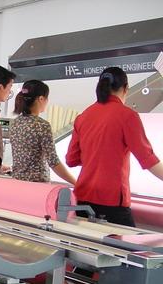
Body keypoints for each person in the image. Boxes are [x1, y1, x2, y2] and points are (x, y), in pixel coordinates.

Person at [66, 67, 163, 226]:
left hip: (83, 198)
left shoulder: (83, 116)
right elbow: (148, 159)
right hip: (111, 201)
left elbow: (71, 160)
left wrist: (95, 155)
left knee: (88, 241)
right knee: (129, 242)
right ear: (125, 88)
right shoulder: (127, 116)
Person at [9, 80, 76, 185]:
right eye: (47, 98)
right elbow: (53, 162)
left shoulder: (15, 123)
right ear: (41, 99)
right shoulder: (42, 125)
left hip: (17, 182)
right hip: (37, 186)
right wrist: (76, 182)